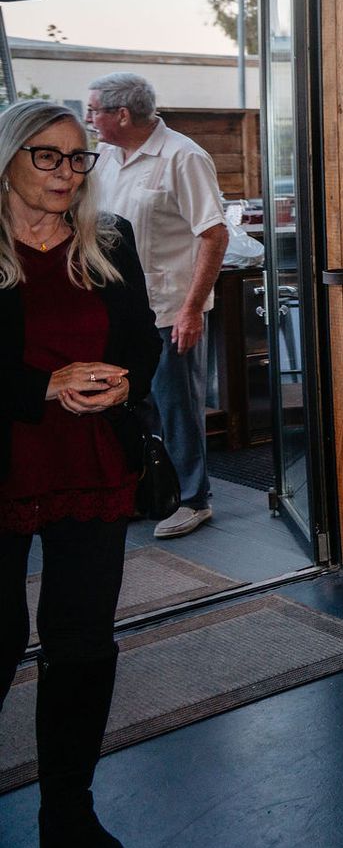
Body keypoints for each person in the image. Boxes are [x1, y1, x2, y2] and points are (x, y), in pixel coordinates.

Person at [1, 99, 162, 848]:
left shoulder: (110, 239)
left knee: (83, 645)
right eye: (47, 156)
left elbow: (142, 340)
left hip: (93, 462)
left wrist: (129, 383)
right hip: (9, 462)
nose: (67, 172)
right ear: (8, 158)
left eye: (77, 157)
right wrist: (41, 383)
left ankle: (68, 811)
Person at [84, 73, 228, 540]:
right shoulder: (104, 156)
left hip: (169, 309)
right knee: (130, 407)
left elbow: (214, 234)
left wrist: (191, 311)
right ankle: (148, 491)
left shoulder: (182, 156)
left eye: (94, 111)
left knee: (176, 408)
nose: (89, 119)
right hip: (119, 307)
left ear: (121, 114)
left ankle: (193, 499)